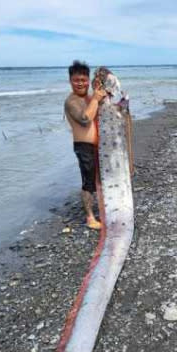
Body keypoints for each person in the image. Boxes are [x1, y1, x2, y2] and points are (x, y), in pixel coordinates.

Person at [64, 60, 107, 229]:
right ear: (70, 81)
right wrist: (96, 99)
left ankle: (103, 211)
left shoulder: (91, 98)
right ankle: (90, 217)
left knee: (101, 180)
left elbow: (102, 109)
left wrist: (99, 94)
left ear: (88, 80)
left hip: (100, 146)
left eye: (83, 79)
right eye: (76, 80)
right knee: (88, 182)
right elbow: (84, 119)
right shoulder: (71, 101)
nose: (80, 83)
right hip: (84, 147)